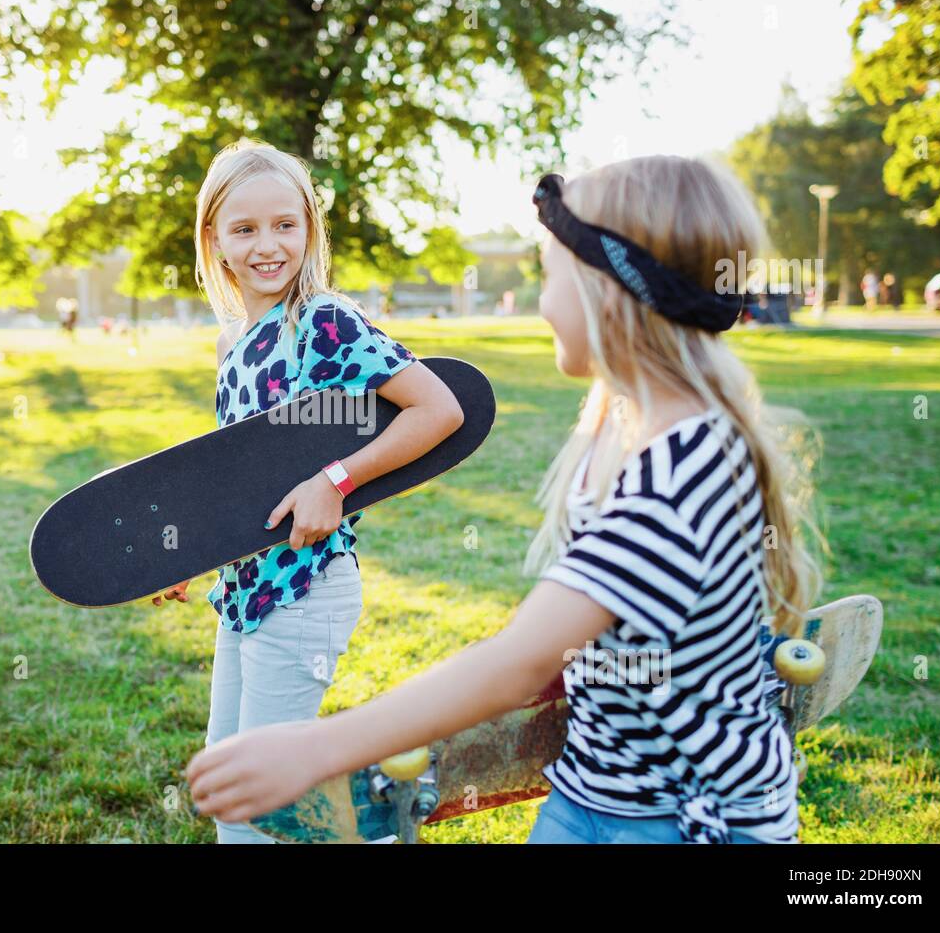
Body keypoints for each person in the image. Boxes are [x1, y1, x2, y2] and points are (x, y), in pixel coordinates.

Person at [186, 154, 825, 844]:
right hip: (592, 794)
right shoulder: (635, 434)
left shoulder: (676, 474)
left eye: (548, 277)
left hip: (680, 824)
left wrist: (322, 748)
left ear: (605, 292)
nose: (542, 302)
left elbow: (520, 662)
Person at [156, 138, 464, 844]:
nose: (268, 245)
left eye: (284, 224)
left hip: (305, 586)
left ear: (309, 228)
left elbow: (439, 410)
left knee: (252, 812)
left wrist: (338, 480)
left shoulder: (324, 323)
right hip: (243, 590)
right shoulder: (233, 343)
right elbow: (245, 478)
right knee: (231, 780)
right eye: (244, 229)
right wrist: (189, 552)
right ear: (215, 241)